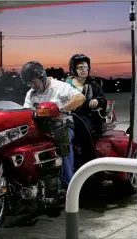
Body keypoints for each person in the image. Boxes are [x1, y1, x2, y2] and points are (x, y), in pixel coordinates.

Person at [20, 61, 86, 191]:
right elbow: (25, 111)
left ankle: (69, 184)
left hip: (63, 125)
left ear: (42, 77)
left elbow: (80, 98)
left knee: (62, 139)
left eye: (33, 82)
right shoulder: (31, 93)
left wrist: (61, 110)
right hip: (41, 127)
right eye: (28, 83)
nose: (32, 86)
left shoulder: (59, 87)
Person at [66, 54, 107, 133]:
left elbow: (102, 99)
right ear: (74, 69)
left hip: (85, 116)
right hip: (67, 116)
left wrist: (96, 101)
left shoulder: (93, 84)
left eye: (86, 67)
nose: (84, 70)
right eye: (81, 67)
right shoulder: (66, 84)